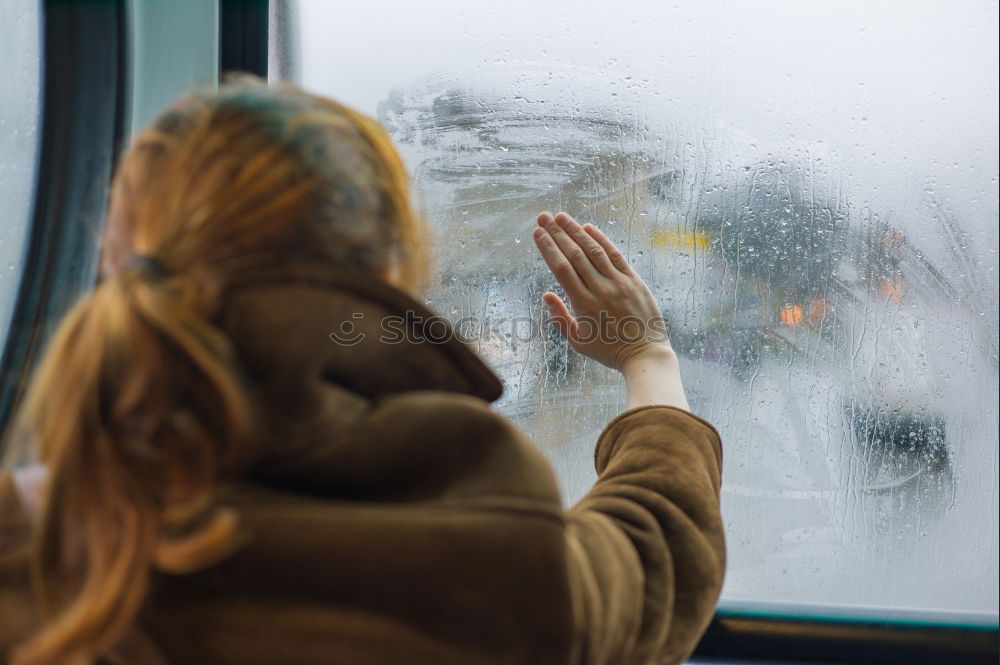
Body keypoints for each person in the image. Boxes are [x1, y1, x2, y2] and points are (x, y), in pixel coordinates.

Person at [0, 77, 724, 665]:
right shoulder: (492, 528)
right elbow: (652, 556)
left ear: (120, 264)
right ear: (388, 273)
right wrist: (645, 355)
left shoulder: (33, 538)